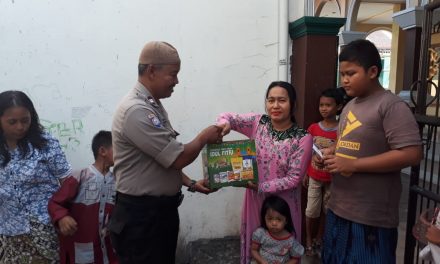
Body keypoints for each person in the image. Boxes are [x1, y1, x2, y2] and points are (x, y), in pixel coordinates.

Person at [108, 41, 222, 264]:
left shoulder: (152, 105)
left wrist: (190, 184)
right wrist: (204, 137)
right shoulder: (137, 110)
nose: (177, 81)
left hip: (157, 216)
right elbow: (177, 157)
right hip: (142, 220)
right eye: (173, 74)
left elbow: (159, 161)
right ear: (152, 71)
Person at [321, 39, 423, 263]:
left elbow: (412, 153)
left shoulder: (390, 105)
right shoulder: (349, 105)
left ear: (373, 71)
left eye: (351, 73)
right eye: (342, 74)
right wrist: (332, 153)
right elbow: (346, 142)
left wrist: (353, 165)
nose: (344, 80)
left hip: (370, 218)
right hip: (339, 208)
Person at [217, 81, 313, 264]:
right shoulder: (257, 123)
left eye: (282, 100)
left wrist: (261, 186)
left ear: (292, 103)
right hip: (255, 200)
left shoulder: (303, 137)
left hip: (283, 204)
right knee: (256, 247)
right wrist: (225, 124)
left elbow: (294, 179)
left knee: (284, 252)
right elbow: (226, 116)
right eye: (271, 100)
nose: (275, 106)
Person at [0, 90, 72, 263]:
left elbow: (68, 182)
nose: (20, 127)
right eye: (12, 122)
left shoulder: (45, 143)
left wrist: (62, 214)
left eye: (25, 120)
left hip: (44, 228)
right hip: (8, 232)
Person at [48, 130, 118, 264]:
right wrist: (62, 217)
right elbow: (55, 203)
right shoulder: (79, 177)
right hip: (81, 250)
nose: (124, 153)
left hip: (108, 250)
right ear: (102, 151)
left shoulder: (118, 181)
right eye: (119, 148)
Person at [302, 88, 343, 256]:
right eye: (321, 105)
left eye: (328, 105)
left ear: (339, 107)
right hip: (314, 176)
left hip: (333, 178)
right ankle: (308, 240)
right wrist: (305, 172)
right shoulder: (312, 128)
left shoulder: (341, 130)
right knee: (311, 210)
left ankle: (320, 238)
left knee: (327, 210)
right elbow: (305, 152)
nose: (324, 108)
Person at [251, 195, 304, 264]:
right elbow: (253, 250)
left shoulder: (290, 241)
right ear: (264, 218)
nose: (274, 223)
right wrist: (262, 261)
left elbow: (295, 258)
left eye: (279, 219)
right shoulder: (261, 233)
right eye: (270, 219)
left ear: (286, 221)